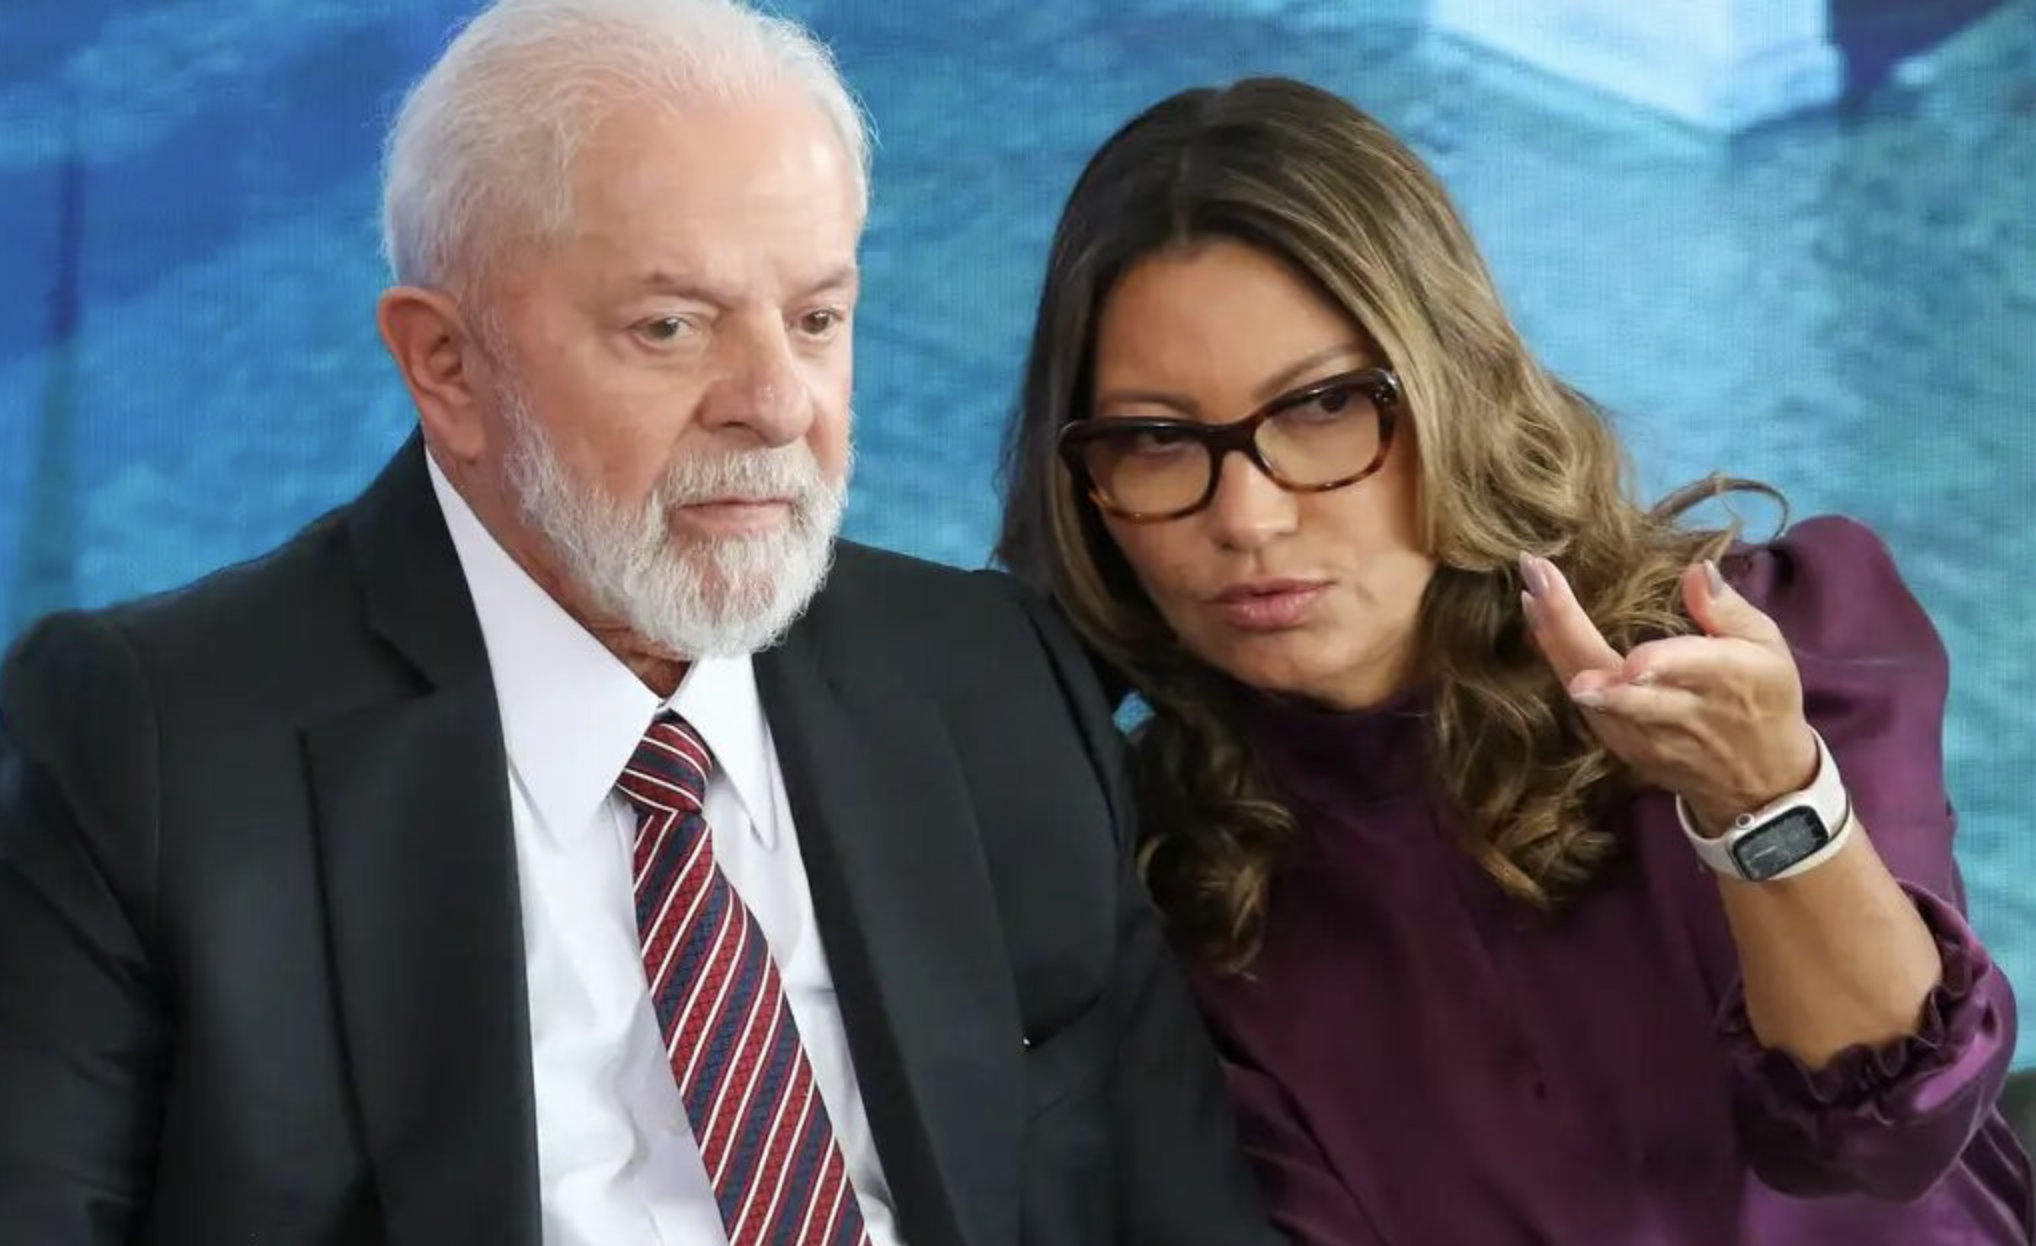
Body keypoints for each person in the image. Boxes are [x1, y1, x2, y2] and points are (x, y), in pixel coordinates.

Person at [0, 4, 1284, 1244]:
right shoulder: (156, 746)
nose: (777, 404)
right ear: (445, 363)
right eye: (669, 327)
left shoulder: (995, 682)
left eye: (816, 318)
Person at [998, 76, 2032, 1244]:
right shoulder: (1141, 886)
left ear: (1452, 389)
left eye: (1325, 407)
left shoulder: (1764, 646)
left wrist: (1763, 802)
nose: (1246, 516)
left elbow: (1888, 1138)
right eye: (1152, 438)